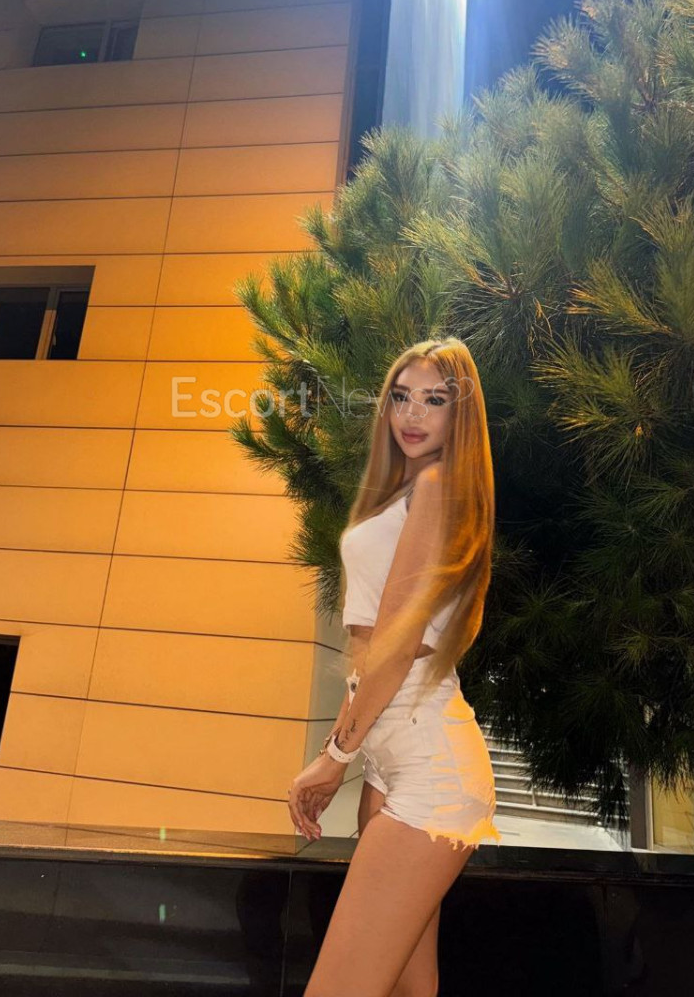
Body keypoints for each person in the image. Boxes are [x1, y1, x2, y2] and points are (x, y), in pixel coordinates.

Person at [287, 337, 501, 997]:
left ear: (460, 414)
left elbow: (399, 644)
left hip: (429, 765)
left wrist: (334, 756)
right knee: (410, 990)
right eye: (401, 397)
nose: (412, 414)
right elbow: (373, 652)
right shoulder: (409, 490)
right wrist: (347, 753)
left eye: (434, 400)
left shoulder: (436, 487)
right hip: (392, 759)